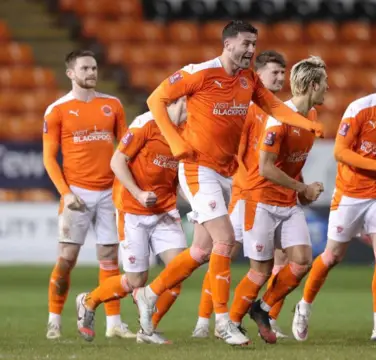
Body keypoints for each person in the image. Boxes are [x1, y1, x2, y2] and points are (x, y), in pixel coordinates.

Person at [132, 20, 323, 346]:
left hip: (223, 172)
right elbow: (155, 100)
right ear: (228, 44)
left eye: (254, 44)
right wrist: (174, 142)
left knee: (201, 251)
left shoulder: (248, 79)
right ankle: (223, 322)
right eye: (246, 43)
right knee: (225, 238)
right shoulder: (200, 72)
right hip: (196, 168)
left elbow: (275, 106)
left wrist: (305, 123)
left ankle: (149, 294)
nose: (251, 50)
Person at [291, 60, 376, 342]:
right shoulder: (359, 109)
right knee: (332, 256)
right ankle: (304, 306)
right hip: (349, 193)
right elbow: (340, 152)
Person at [229, 56, 328, 344]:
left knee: (302, 260)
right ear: (312, 85)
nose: (328, 90)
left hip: (288, 203)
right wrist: (303, 187)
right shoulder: (277, 119)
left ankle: (261, 308)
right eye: (325, 84)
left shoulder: (309, 119)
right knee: (259, 271)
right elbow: (266, 167)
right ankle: (232, 323)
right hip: (260, 201)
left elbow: (292, 164)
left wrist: (301, 192)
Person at [192, 50, 290, 339]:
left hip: (271, 196)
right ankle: (203, 320)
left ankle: (267, 319)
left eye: (283, 73)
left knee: (277, 260)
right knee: (222, 252)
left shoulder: (280, 111)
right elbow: (234, 154)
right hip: (244, 195)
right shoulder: (245, 109)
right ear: (257, 76)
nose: (281, 78)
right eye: (275, 73)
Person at [75, 98, 188, 345]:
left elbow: (181, 171)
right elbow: (117, 162)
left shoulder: (190, 130)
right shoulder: (146, 123)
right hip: (133, 210)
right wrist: (139, 193)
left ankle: (147, 331)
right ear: (181, 99)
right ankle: (89, 301)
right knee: (136, 280)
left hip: (164, 211)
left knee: (178, 271)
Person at [42, 50, 135, 340]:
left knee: (109, 257)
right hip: (77, 195)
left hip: (110, 192)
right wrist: (65, 193)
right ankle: (54, 321)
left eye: (94, 67)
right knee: (67, 258)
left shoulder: (113, 105)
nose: (91, 72)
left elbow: (127, 148)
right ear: (71, 73)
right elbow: (48, 158)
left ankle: (114, 324)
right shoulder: (57, 110)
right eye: (84, 68)